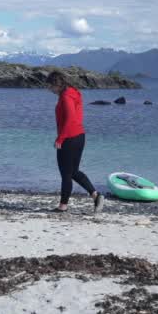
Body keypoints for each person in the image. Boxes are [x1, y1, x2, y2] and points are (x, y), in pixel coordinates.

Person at [47, 70, 103, 213]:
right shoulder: (72, 92)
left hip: (69, 138)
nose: (49, 89)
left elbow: (70, 118)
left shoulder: (66, 96)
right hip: (79, 136)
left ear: (56, 84)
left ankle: (63, 206)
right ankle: (95, 195)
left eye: (50, 86)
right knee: (73, 172)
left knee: (66, 173)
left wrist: (60, 138)